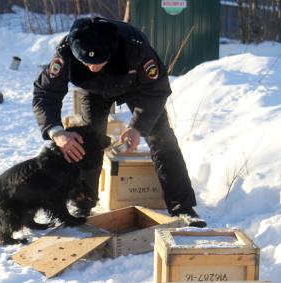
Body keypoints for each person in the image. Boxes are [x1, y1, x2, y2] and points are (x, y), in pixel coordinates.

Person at [32, 16, 206, 227]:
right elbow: (45, 94)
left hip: (137, 88)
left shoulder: (135, 47)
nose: (93, 68)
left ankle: (182, 206)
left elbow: (157, 90)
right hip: (94, 92)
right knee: (89, 140)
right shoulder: (65, 52)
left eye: (99, 62)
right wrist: (57, 132)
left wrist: (137, 127)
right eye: (86, 62)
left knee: (163, 139)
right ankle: (84, 201)